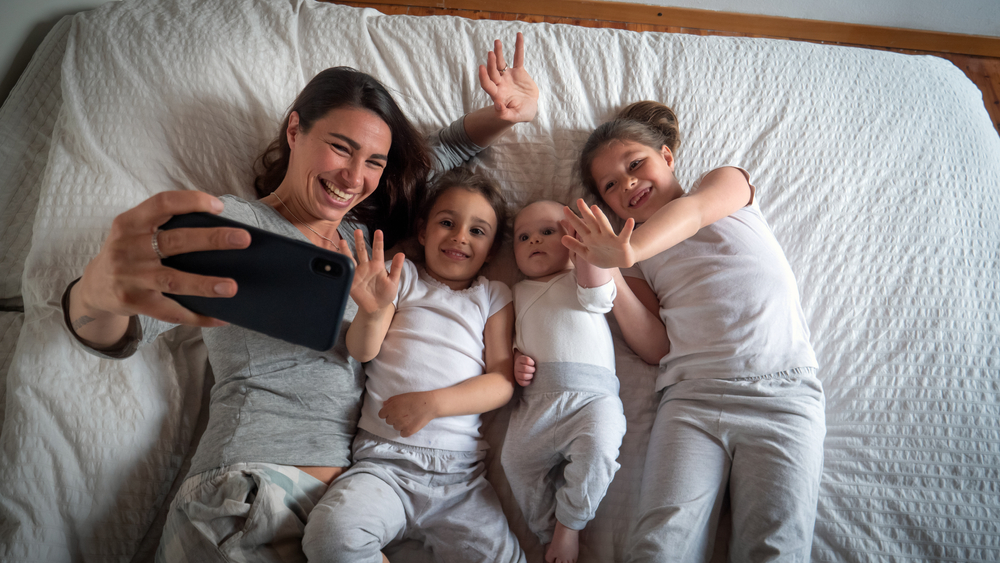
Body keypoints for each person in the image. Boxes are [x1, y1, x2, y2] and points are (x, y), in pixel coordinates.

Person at [60, 34, 538, 563]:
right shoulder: (236, 227)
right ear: (295, 129)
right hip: (247, 498)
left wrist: (505, 115)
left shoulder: (367, 236)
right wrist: (94, 295)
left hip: (350, 511)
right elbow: (123, 328)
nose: (354, 177)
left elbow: (441, 155)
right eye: (340, 147)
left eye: (373, 162)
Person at [562, 101, 825, 562]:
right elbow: (654, 345)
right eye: (611, 184)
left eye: (636, 164)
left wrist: (629, 249)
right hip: (692, 403)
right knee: (659, 546)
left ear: (667, 157)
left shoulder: (724, 184)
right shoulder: (640, 262)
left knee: (776, 547)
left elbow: (694, 213)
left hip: (782, 393)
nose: (627, 183)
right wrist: (612, 270)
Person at [301, 168, 522, 563]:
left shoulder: (492, 296)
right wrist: (370, 309)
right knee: (329, 539)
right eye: (448, 223)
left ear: (491, 249)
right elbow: (362, 349)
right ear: (422, 231)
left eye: (477, 231)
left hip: (461, 478)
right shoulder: (402, 280)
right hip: (383, 465)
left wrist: (435, 403)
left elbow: (502, 381)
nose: (459, 237)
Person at [500, 199, 628, 563]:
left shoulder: (580, 278)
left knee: (600, 450)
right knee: (514, 462)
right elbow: (505, 339)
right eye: (523, 237)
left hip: (593, 400)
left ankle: (570, 526)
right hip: (535, 403)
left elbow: (599, 294)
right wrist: (514, 359)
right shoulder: (514, 292)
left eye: (547, 232)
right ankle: (547, 529)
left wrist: (585, 251)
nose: (534, 241)